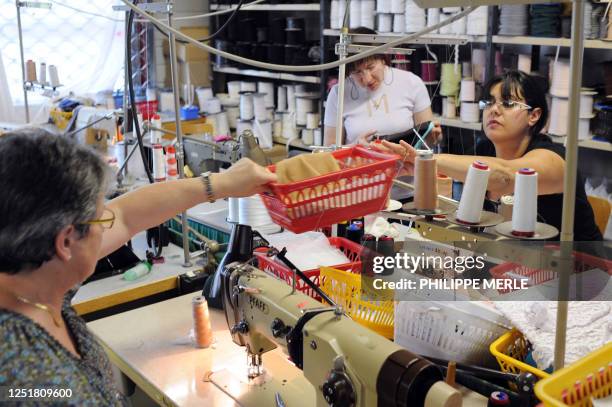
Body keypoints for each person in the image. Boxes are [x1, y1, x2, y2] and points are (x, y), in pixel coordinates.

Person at [0, 129, 277, 404]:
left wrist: (223, 183)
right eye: (100, 221)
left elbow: (126, 215)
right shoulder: (22, 370)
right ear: (66, 241)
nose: (108, 224)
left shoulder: (36, 275)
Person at [377, 70, 602, 241]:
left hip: (577, 274)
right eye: (489, 102)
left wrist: (424, 161)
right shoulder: (484, 150)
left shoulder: (555, 158)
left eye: (508, 103)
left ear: (534, 115)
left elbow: (504, 176)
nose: (494, 110)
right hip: (514, 267)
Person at [324, 27, 442, 147]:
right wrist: (355, 147)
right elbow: (329, 149)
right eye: (357, 72)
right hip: (358, 164)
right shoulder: (338, 94)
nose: (367, 79)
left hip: (404, 165)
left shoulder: (412, 83)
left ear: (383, 59)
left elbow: (426, 142)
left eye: (371, 67)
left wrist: (433, 138)